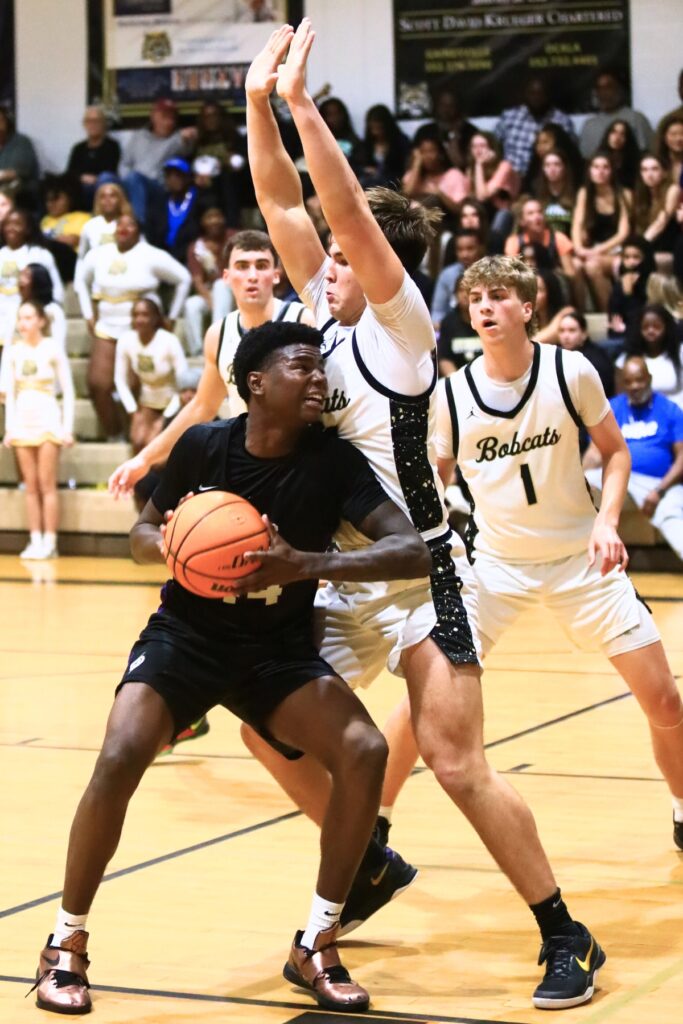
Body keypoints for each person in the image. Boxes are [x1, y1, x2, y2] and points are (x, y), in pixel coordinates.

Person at [241, 21, 604, 1010]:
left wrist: (306, 108)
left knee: (452, 762)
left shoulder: (400, 330)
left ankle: (563, 933)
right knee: (265, 735)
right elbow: (279, 196)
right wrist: (253, 100)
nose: (317, 263)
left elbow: (340, 211)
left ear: (379, 264)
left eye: (339, 256)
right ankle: (365, 867)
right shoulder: (321, 313)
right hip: (334, 571)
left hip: (418, 570)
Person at [30, 317, 433, 1016]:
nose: (318, 379)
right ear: (257, 383)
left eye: (320, 369)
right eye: (302, 368)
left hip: (275, 651)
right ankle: (64, 944)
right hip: (186, 636)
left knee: (363, 750)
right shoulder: (202, 446)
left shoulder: (332, 462)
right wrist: (174, 546)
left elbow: (411, 551)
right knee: (121, 753)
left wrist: (308, 562)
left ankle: (316, 940)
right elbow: (139, 533)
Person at [435, 255, 683, 866]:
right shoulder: (452, 393)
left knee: (665, 703)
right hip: (495, 567)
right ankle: (373, 841)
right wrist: (444, 540)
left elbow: (616, 454)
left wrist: (606, 520)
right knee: (427, 706)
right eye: (476, 299)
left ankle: (682, 805)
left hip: (581, 561)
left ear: (528, 307)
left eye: (498, 296)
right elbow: (433, 483)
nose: (486, 307)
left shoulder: (570, 371)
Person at [108, 229, 315, 494]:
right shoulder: (219, 333)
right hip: (248, 463)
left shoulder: (303, 321)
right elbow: (202, 407)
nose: (252, 275)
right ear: (226, 277)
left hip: (299, 463)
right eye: (242, 266)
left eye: (261, 266)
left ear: (276, 274)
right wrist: (144, 459)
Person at [74, 213, 191, 439]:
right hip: (106, 326)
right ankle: (114, 434)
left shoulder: (152, 255)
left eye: (131, 224)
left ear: (139, 230)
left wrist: (172, 316)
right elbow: (81, 279)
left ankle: (140, 434)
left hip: (139, 328)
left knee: (136, 383)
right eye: (120, 224)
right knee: (97, 383)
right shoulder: (98, 254)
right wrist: (88, 313)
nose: (124, 228)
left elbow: (183, 278)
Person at [584, 355, 683, 564]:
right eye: (628, 381)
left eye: (639, 380)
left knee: (673, 518)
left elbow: (682, 457)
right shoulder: (612, 408)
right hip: (621, 479)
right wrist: (579, 481)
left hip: (658, 483)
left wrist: (660, 491)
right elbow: (594, 453)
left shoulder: (669, 409)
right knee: (583, 487)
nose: (634, 386)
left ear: (649, 378)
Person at [2, 300, 74, 559]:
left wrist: (67, 428)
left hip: (48, 419)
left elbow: (68, 391)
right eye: (21, 318)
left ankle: (50, 541)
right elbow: (10, 393)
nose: (24, 323)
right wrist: (9, 428)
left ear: (41, 321)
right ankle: (34, 540)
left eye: (29, 317)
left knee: (47, 484)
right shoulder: (12, 352)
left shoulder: (53, 348)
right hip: (22, 420)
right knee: (30, 486)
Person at [114, 298, 188, 453]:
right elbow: (119, 380)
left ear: (155, 318)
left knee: (153, 443)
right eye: (136, 315)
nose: (139, 319)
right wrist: (133, 412)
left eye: (145, 315)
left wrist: (165, 419)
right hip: (147, 401)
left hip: (173, 402)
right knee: (138, 440)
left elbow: (184, 385)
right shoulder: (126, 340)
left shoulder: (169, 341)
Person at [119, 98, 196, 225]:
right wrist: (127, 180)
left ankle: (139, 225)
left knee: (135, 179)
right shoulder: (139, 136)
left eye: (172, 117)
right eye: (164, 116)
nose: (168, 121)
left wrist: (188, 138)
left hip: (158, 187)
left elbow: (186, 149)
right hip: (132, 182)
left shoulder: (177, 139)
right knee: (107, 178)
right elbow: (125, 163)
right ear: (153, 116)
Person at [571, 151, 631, 311]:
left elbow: (623, 233)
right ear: (590, 170)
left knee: (592, 266)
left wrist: (598, 250)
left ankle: (610, 314)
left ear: (612, 171)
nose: (600, 171)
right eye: (596, 167)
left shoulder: (623, 194)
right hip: (592, 249)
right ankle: (582, 315)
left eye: (605, 167)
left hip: (616, 250)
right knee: (575, 264)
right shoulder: (585, 193)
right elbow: (577, 224)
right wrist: (579, 248)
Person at [0, 209, 63, 353]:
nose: (11, 228)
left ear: (28, 228)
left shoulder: (40, 254)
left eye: (17, 224)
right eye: (7, 224)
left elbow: (56, 290)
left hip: (25, 320)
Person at [495, 76, 575, 177]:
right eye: (532, 93)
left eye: (540, 93)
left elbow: (570, 156)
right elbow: (494, 147)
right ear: (525, 94)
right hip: (511, 177)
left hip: (547, 179)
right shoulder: (509, 117)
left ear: (548, 95)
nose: (536, 98)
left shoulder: (562, 121)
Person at [183, 206, 233, 355]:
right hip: (212, 294)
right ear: (202, 222)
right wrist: (212, 303)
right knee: (191, 304)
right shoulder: (197, 247)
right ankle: (197, 351)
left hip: (235, 289)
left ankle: (218, 343)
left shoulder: (234, 238)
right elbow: (198, 281)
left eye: (217, 216)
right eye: (209, 218)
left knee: (220, 285)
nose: (214, 221)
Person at [617, 303, 683, 408]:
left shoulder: (680, 353)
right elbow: (620, 399)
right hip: (640, 420)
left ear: (667, 327)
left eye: (656, 326)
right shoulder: (626, 359)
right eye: (645, 327)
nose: (651, 331)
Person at [580, 69, 654, 159]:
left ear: (620, 90)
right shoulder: (589, 125)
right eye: (599, 88)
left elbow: (647, 155)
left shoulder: (637, 119)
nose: (603, 93)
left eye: (608, 87)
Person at [466, 130, 519, 240]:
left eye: (482, 145)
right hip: (482, 215)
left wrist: (479, 165)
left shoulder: (504, 166)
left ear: (492, 148)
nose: (478, 150)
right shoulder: (471, 170)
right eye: (474, 146)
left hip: (502, 215)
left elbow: (482, 196)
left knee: (502, 215)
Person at [146, 157, 201, 264]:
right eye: (169, 175)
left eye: (178, 175)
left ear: (188, 178)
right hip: (163, 257)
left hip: (191, 257)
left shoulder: (199, 200)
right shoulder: (160, 202)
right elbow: (151, 231)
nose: (173, 179)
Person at [401, 131, 469, 217]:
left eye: (431, 151)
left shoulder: (454, 175)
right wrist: (417, 163)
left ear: (441, 154)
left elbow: (460, 210)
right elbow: (405, 195)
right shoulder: (414, 175)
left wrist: (439, 193)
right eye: (423, 152)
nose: (427, 156)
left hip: (445, 223)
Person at [65, 106, 121, 210]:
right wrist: (81, 178)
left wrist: (95, 179)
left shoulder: (112, 146)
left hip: (100, 186)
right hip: (80, 187)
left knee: (105, 178)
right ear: (84, 124)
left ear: (104, 124)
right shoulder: (78, 148)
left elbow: (111, 170)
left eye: (97, 121)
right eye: (89, 121)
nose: (93, 124)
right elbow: (70, 173)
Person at [414, 84, 477, 171]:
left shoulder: (470, 132)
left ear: (458, 107)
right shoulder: (425, 132)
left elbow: (464, 165)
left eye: (451, 105)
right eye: (443, 105)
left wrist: (455, 137)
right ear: (436, 106)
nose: (446, 110)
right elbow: (412, 164)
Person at [430, 229, 486, 328]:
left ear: (480, 248)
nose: (464, 254)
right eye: (460, 249)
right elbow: (438, 312)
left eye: (470, 248)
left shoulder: (490, 273)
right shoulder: (446, 275)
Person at [557, 309, 614, 400]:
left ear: (584, 334)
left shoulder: (598, 359)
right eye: (562, 331)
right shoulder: (554, 355)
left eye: (572, 330)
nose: (566, 336)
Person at [633, 154, 681, 261]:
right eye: (644, 170)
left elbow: (660, 223)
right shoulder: (641, 194)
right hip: (649, 246)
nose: (649, 174)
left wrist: (638, 247)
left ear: (664, 173)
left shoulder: (673, 189)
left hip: (669, 249)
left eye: (654, 169)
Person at [356, 103, 411, 189]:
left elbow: (405, 168)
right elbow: (355, 164)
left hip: (393, 185)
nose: (376, 127)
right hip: (370, 186)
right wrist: (366, 169)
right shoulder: (366, 145)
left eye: (378, 124)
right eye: (373, 125)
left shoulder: (400, 142)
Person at [77, 182, 132, 264]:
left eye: (112, 196)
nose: (107, 200)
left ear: (120, 199)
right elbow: (82, 258)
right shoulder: (90, 226)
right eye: (103, 197)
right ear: (98, 201)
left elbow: (141, 251)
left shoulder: (130, 224)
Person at [0, 108, 39, 199]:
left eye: (1, 120)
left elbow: (18, 172)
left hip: (20, 196)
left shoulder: (21, 142)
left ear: (8, 122)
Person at [598, 118, 642, 191]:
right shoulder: (598, 158)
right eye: (613, 132)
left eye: (622, 134)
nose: (617, 137)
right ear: (608, 135)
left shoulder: (635, 160)